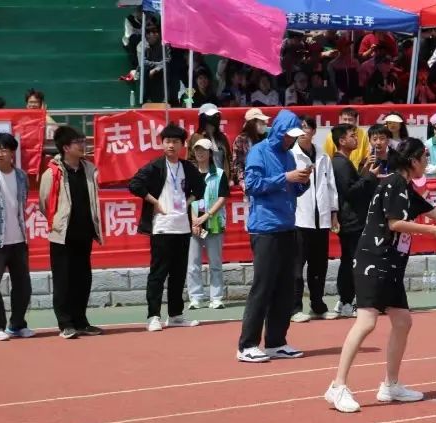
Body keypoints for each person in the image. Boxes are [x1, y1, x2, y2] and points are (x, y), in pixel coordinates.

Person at [324, 138, 436, 412]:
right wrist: (433, 231)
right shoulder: (394, 183)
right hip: (374, 260)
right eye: (424, 158)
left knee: (402, 321)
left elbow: (435, 212)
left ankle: (390, 385)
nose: (427, 163)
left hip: (392, 264)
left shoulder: (405, 186)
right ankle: (337, 386)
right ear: (413, 161)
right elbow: (395, 223)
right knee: (366, 322)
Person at [237, 110, 310, 362]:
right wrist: (286, 177)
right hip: (265, 228)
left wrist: (302, 181)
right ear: (278, 131)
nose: (291, 139)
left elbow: (293, 189)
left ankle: (276, 342)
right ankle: (247, 345)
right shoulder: (258, 152)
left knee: (285, 288)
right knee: (263, 287)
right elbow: (252, 185)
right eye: (288, 135)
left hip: (287, 225)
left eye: (294, 136)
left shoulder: (289, 155)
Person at [129, 123, 205, 331]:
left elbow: (201, 187)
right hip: (162, 227)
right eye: (167, 141)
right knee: (158, 273)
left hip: (182, 227)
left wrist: (187, 202)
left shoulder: (187, 167)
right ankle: (153, 316)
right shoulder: (155, 166)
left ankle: (176, 315)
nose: (171, 145)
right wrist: (154, 202)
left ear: (182, 145)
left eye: (175, 142)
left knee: (178, 273)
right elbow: (134, 184)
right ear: (162, 143)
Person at [39, 127, 104, 340]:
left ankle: (81, 321)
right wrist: (59, 222)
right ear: (66, 147)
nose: (83, 145)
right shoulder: (52, 173)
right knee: (63, 280)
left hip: (84, 234)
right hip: (62, 236)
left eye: (83, 141)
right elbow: (44, 204)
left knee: (83, 279)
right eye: (78, 142)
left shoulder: (89, 169)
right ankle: (65, 323)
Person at [291, 115, 340, 323]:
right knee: (296, 266)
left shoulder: (323, 156)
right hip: (299, 219)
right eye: (300, 128)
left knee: (319, 266)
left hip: (322, 219)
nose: (303, 131)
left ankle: (318, 305)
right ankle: (294, 308)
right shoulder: (290, 155)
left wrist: (334, 212)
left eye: (307, 127)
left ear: (313, 131)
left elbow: (331, 186)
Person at [332, 124, 379, 318]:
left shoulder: (345, 162)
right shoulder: (341, 163)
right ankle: (345, 301)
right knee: (351, 261)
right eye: (352, 136)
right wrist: (370, 176)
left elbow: (353, 185)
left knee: (350, 260)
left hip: (352, 220)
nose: (356, 139)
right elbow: (350, 191)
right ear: (342, 140)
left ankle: (346, 300)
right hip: (351, 221)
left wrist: (365, 170)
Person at [0, 133, 33, 341]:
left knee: (23, 286)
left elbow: (21, 205)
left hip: (19, 241)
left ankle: (17, 325)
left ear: (12, 153)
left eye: (4, 149)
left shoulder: (21, 177)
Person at [186, 138, 230, 310]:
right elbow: (187, 198)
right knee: (193, 264)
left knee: (215, 263)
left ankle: (216, 298)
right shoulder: (189, 173)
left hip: (214, 223)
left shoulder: (219, 174)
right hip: (194, 225)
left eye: (203, 150)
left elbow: (222, 198)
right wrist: (193, 220)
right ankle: (196, 298)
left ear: (210, 153)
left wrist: (206, 216)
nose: (200, 153)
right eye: (197, 149)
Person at [188, 104, 233, 186]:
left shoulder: (222, 137)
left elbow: (229, 158)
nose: (214, 119)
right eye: (211, 116)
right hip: (205, 181)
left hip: (223, 181)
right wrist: (198, 177)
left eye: (216, 116)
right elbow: (191, 159)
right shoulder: (196, 137)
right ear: (203, 118)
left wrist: (230, 178)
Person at [232, 108, 270, 187]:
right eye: (261, 122)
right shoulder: (241, 140)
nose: (264, 124)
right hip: (249, 182)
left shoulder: (266, 139)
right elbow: (238, 164)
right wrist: (242, 181)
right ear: (253, 123)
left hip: (266, 181)